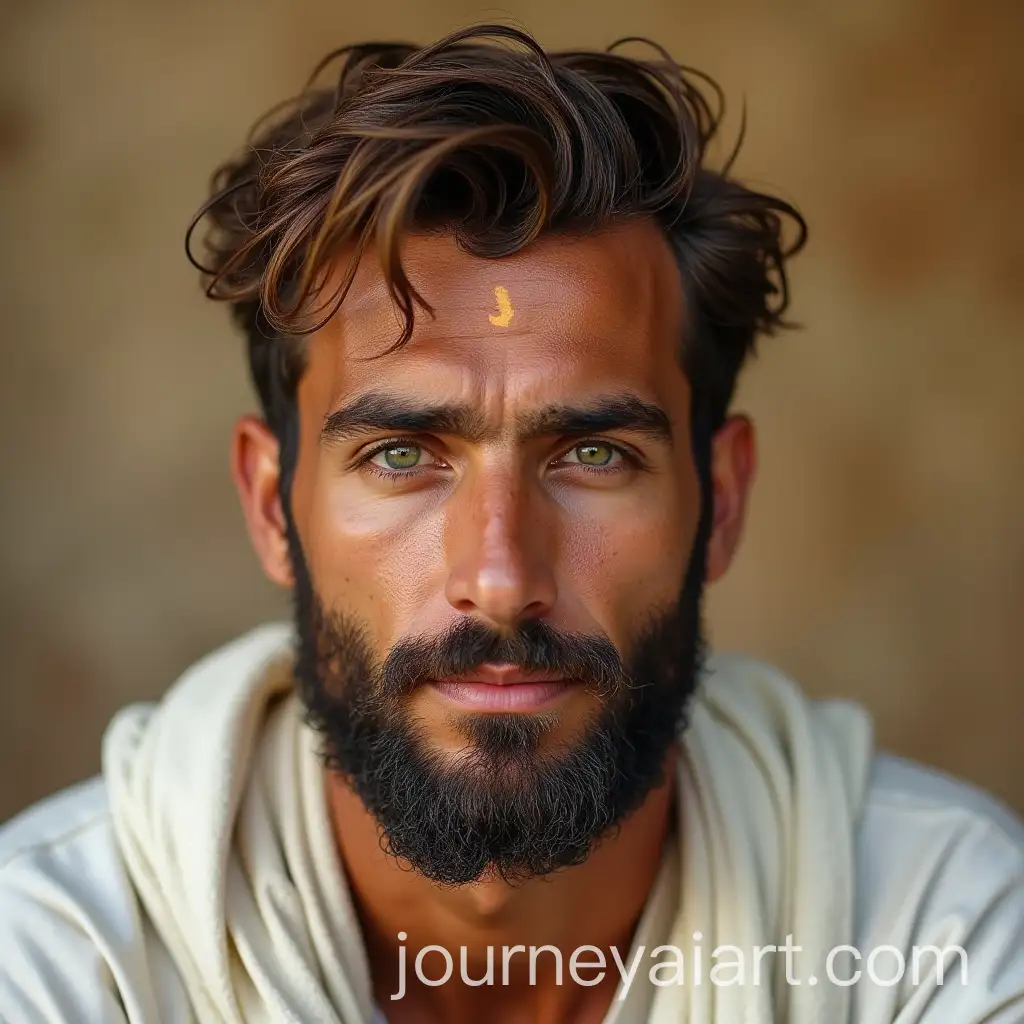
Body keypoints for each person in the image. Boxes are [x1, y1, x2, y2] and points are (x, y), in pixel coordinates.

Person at [1, 23, 1022, 1024]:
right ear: (274, 505)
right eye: (401, 455)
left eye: (595, 454)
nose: (498, 578)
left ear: (721, 498)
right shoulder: (54, 961)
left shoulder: (940, 927)